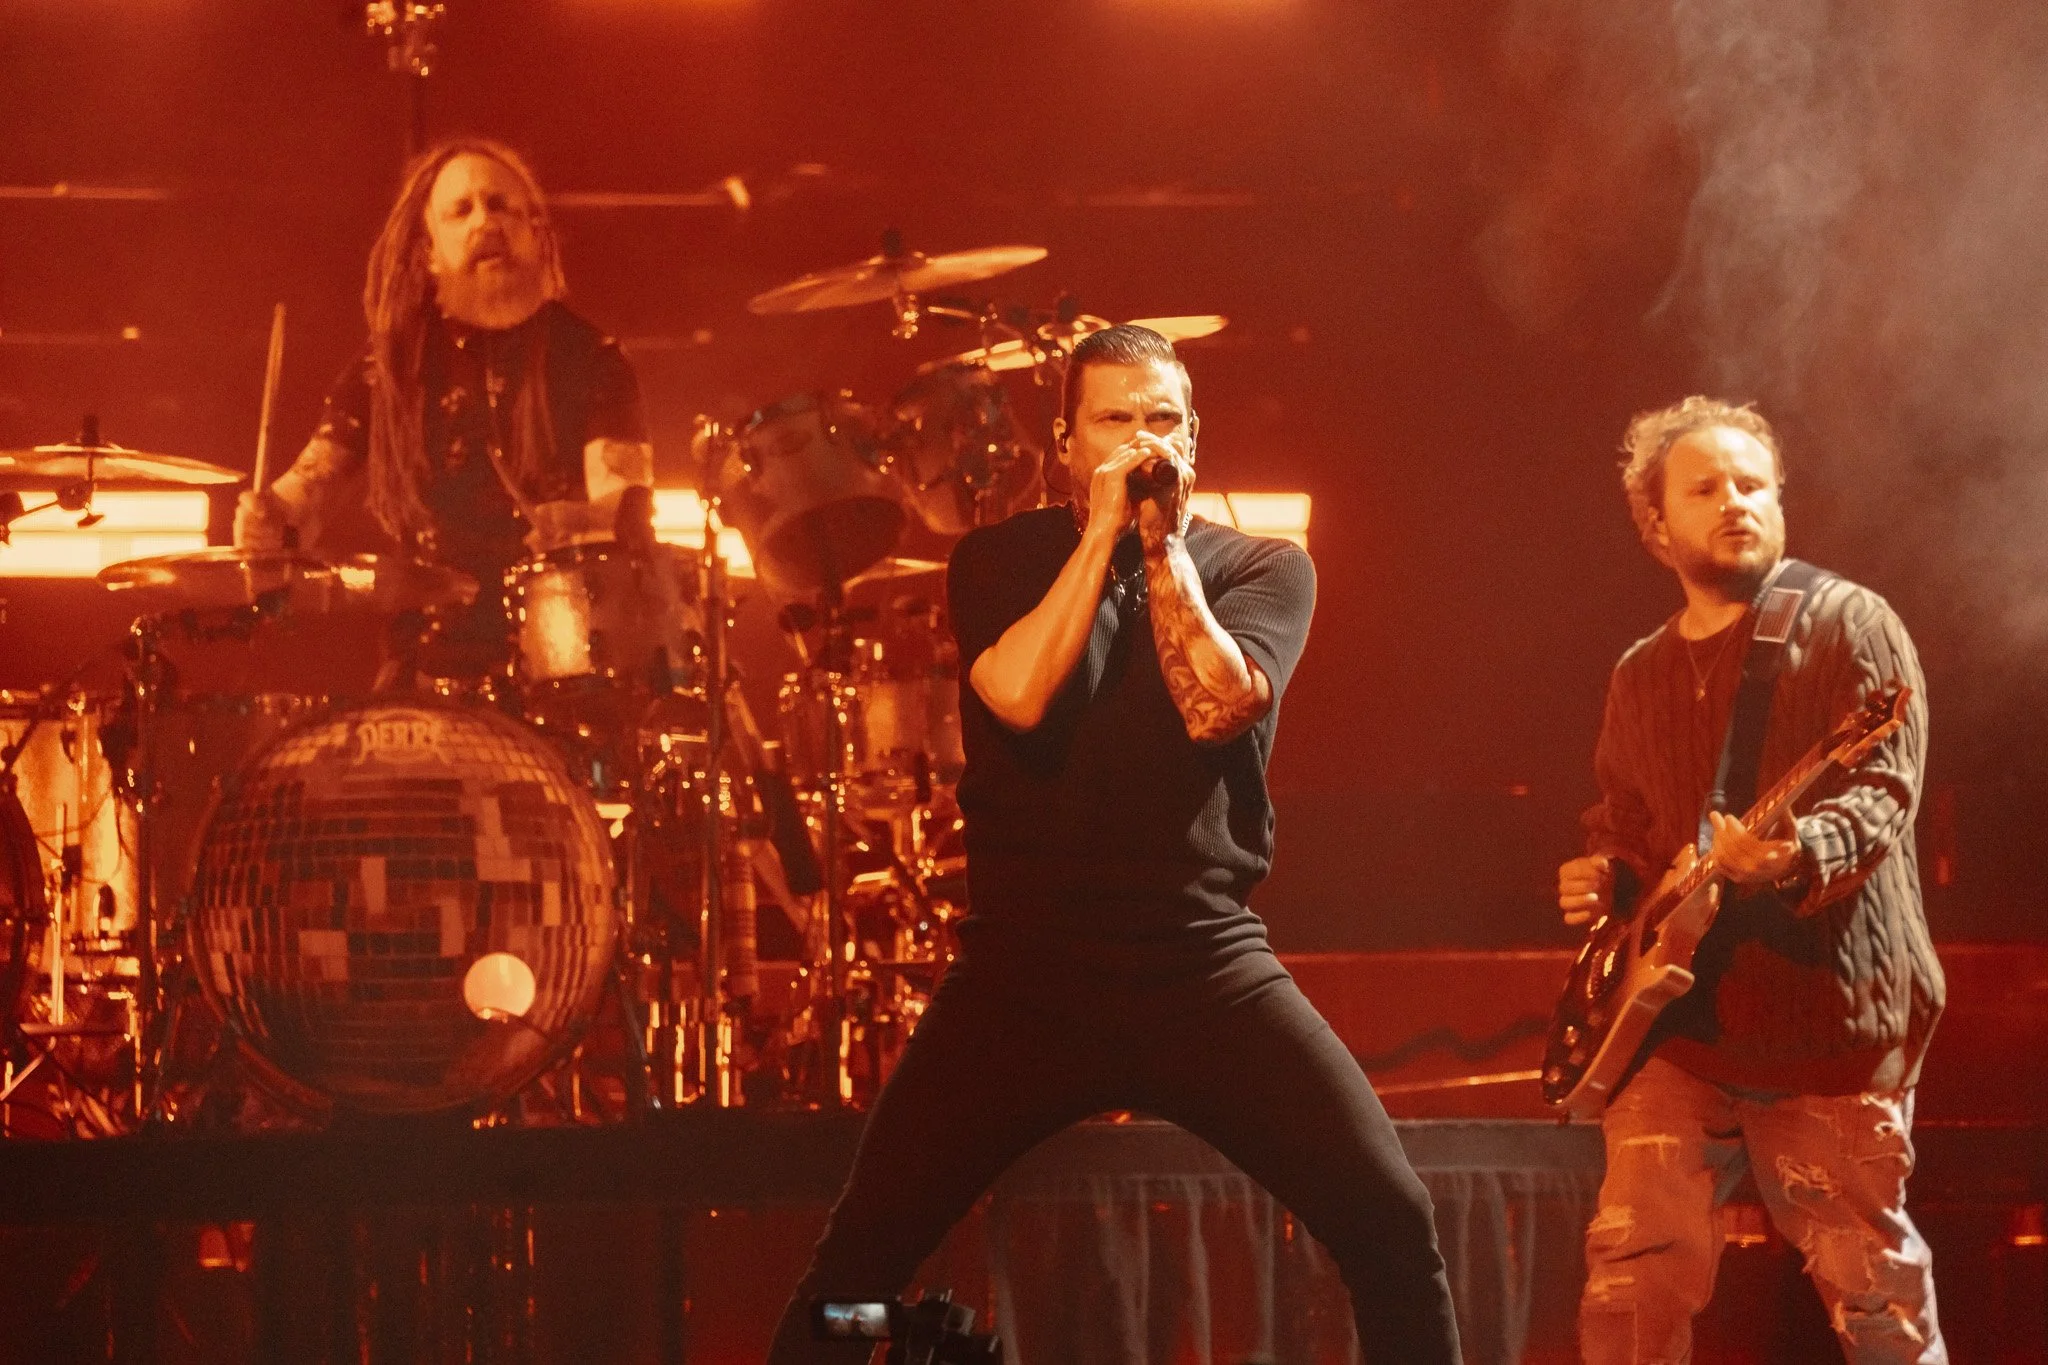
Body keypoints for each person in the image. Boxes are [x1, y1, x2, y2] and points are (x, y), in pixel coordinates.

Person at [767, 325, 1462, 1361]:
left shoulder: (1264, 567)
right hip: (1022, 978)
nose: (1143, 440)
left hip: (1202, 968)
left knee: (1393, 1228)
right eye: (1114, 419)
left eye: (1162, 418)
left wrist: (1163, 548)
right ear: (1064, 444)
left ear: (1195, 437)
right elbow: (1015, 693)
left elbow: (1219, 705)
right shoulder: (998, 559)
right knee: (851, 1278)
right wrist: (1100, 536)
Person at [1559, 397, 1946, 1362]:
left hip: (1825, 1024)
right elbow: (1628, 824)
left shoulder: (1853, 623)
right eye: (1706, 489)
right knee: (1631, 1275)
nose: (1736, 501)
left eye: (1752, 484)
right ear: (1656, 528)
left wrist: (1795, 854)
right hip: (1680, 1028)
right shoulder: (1641, 671)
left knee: (1874, 1299)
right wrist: (1605, 877)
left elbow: (1883, 792)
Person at [234, 136, 653, 674]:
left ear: (535, 232)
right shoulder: (390, 369)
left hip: (563, 659)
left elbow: (625, 512)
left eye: (500, 205)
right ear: (429, 251)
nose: (486, 222)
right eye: (461, 210)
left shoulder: (593, 358)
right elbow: (304, 498)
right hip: (424, 661)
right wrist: (268, 521)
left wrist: (581, 520)